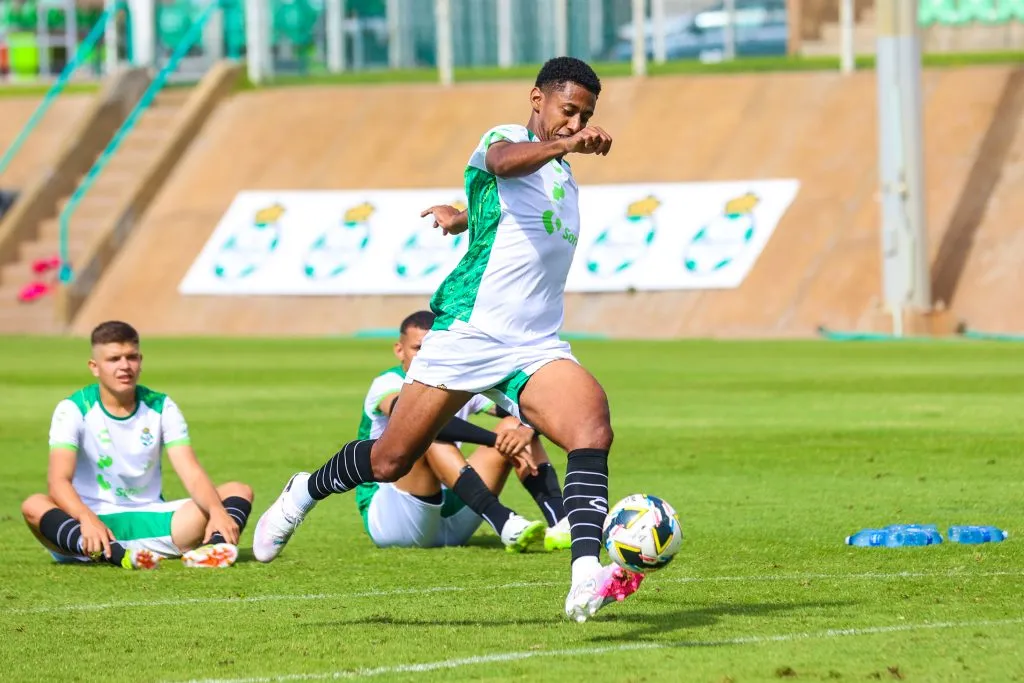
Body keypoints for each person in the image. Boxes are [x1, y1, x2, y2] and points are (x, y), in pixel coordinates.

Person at [254, 56, 641, 621]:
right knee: (390, 461)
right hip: (469, 330)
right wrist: (564, 146)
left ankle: (586, 571)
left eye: (584, 115)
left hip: (534, 343)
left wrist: (462, 215)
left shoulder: (563, 175)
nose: (574, 122)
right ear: (537, 98)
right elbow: (502, 165)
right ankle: (304, 491)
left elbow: (503, 211)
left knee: (592, 426)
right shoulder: (507, 137)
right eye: (567, 110)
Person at [20, 320, 254, 569]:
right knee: (34, 504)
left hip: (154, 520)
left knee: (237, 490)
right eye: (114, 359)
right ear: (94, 366)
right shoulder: (73, 409)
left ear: (140, 361)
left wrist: (218, 511)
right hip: (89, 527)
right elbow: (58, 482)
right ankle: (117, 554)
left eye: (131, 357)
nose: (124, 366)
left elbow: (191, 472)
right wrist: (86, 519)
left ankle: (213, 549)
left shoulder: (161, 406)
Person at [352, 310, 572, 551]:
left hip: (454, 510)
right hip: (395, 518)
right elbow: (417, 421)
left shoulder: (458, 382)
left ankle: (561, 523)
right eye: (418, 349)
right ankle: (503, 520)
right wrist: (494, 439)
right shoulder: (388, 383)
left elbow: (533, 410)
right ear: (399, 350)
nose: (427, 357)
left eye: (433, 349)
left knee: (515, 426)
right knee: (423, 432)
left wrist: (526, 430)